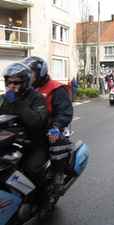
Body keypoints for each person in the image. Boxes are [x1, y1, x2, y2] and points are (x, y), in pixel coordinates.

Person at [0, 63, 50, 218]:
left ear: (25, 82)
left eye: (16, 82)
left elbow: (35, 120)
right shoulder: (2, 99)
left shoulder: (37, 99)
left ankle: (43, 201)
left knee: (32, 170)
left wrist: (16, 102)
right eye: (9, 82)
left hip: (34, 144)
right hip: (10, 143)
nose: (12, 85)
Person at [21, 56, 73, 196]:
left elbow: (65, 112)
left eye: (30, 72)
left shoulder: (55, 89)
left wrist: (56, 127)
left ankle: (58, 174)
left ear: (40, 72)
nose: (27, 76)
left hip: (48, 129)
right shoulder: (24, 89)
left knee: (57, 140)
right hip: (26, 130)